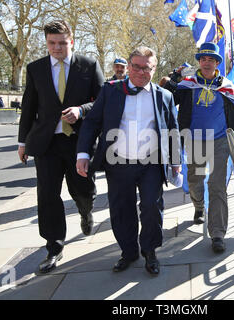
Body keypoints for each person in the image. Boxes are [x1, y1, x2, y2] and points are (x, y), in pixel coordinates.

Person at [76, 46, 181, 275]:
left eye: (147, 67)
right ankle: (128, 251)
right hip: (118, 162)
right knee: (121, 209)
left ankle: (150, 251)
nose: (141, 72)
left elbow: (172, 129)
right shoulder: (110, 90)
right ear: (129, 66)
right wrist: (83, 154)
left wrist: (176, 161)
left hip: (151, 163)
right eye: (136, 66)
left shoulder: (164, 96)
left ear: (154, 69)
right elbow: (92, 122)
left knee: (152, 208)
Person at [17, 20, 105, 274]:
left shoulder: (88, 66)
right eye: (51, 43)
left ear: (72, 42)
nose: (56, 48)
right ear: (46, 43)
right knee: (47, 196)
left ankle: (85, 211)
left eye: (62, 43)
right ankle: (53, 247)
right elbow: (29, 108)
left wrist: (81, 110)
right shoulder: (36, 69)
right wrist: (23, 142)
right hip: (46, 144)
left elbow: (102, 101)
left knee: (83, 190)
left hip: (79, 142)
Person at [164, 42, 234, 254]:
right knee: (194, 180)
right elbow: (165, 99)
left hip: (220, 141)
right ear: (199, 62)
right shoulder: (187, 85)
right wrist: (173, 78)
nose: (207, 62)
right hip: (194, 140)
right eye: (203, 59)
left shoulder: (227, 86)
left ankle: (218, 233)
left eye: (211, 59)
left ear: (217, 63)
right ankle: (199, 205)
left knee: (217, 185)